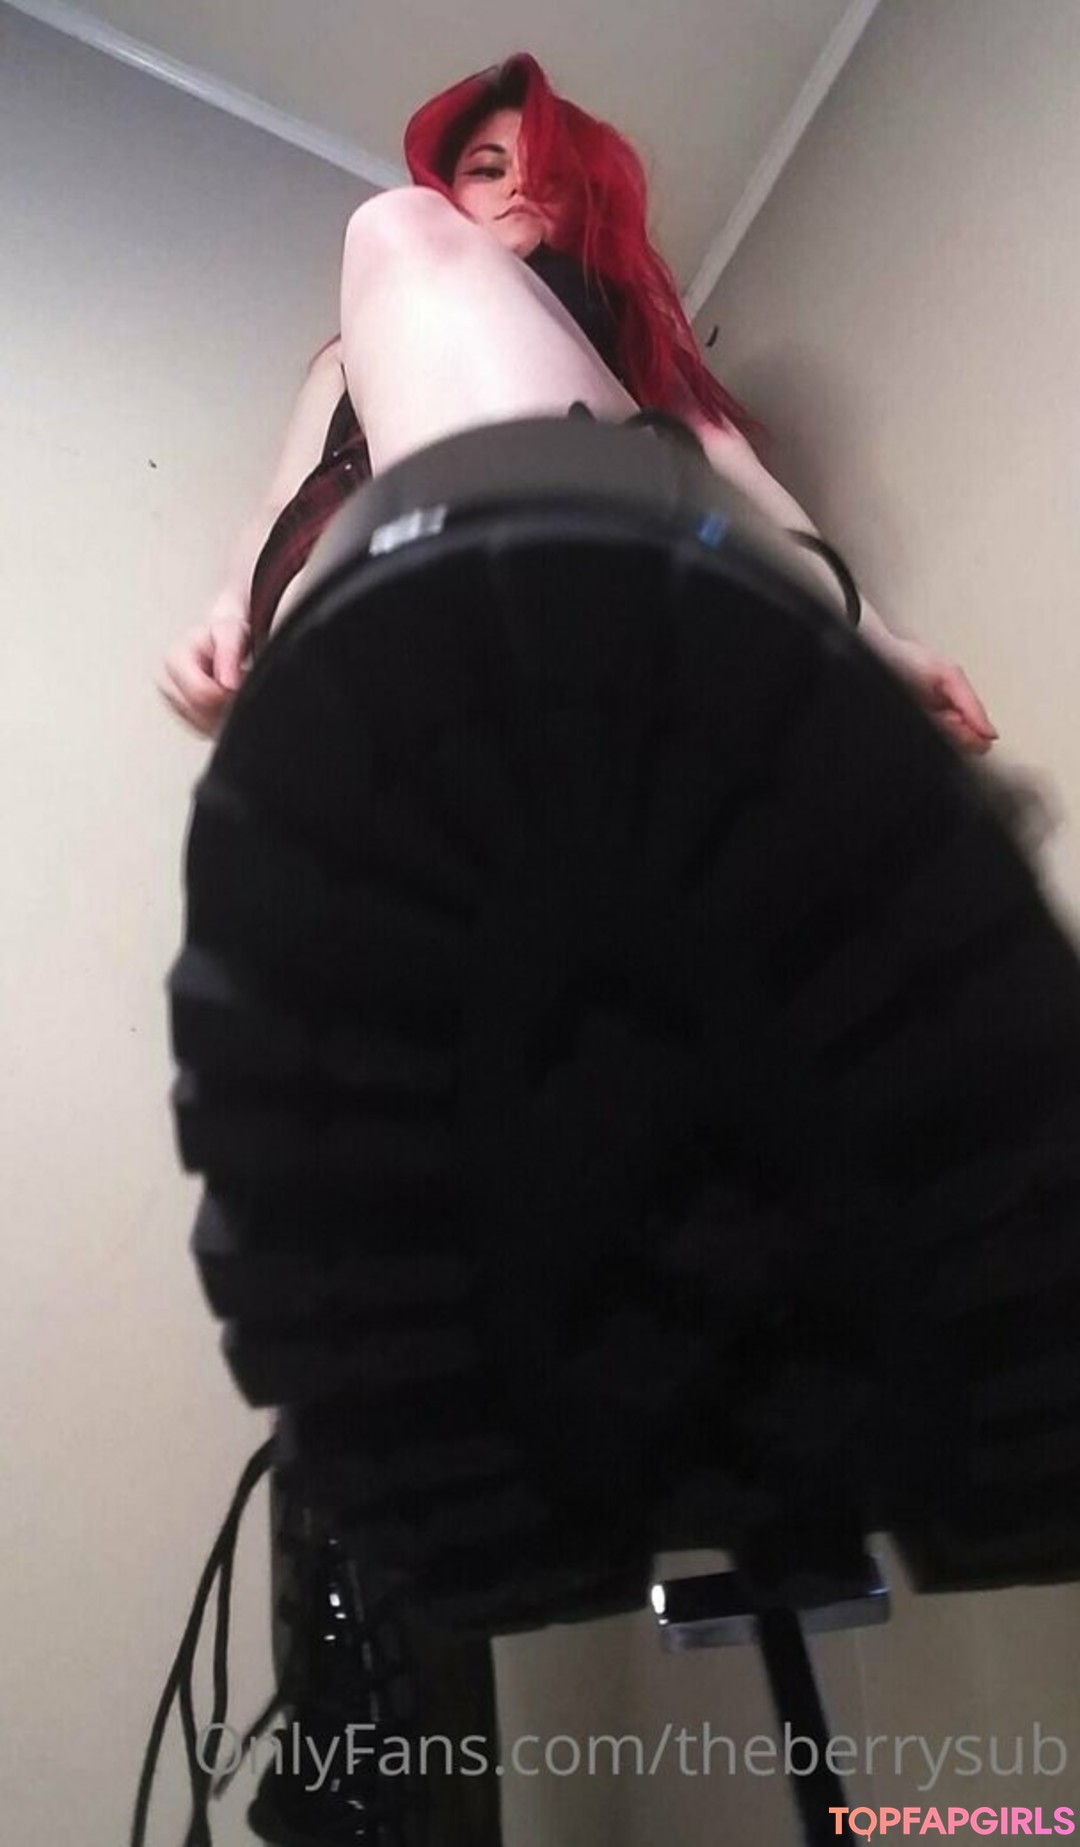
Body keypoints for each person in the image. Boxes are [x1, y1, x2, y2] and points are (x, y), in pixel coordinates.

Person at [158, 53, 996, 756]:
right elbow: (281, 499)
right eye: (488, 170)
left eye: (550, 178)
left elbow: (747, 490)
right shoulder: (351, 347)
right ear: (453, 195)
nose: (519, 188)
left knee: (391, 230)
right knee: (389, 228)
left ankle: (509, 638)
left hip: (590, 548)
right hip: (354, 580)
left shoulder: (629, 350)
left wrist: (882, 645)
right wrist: (228, 611)